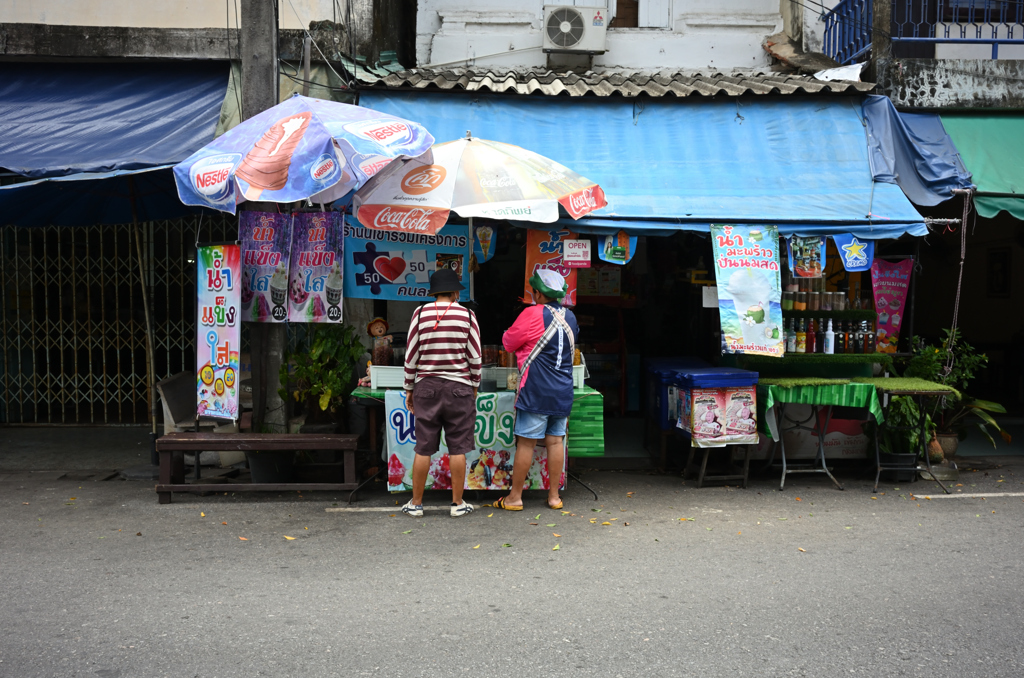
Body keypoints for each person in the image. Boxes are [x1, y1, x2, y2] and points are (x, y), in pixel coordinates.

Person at [494, 269, 579, 511]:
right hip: (562, 391)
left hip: (536, 390)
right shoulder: (570, 318)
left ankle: (515, 497)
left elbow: (509, 343)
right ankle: (554, 497)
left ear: (539, 293)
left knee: (526, 444)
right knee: (555, 442)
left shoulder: (531, 314)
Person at [401, 268, 481, 518]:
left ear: (433, 292)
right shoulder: (468, 315)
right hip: (459, 387)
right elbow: (475, 358)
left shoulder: (420, 313)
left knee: (423, 447)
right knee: (457, 447)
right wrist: (474, 386)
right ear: (456, 292)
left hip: (426, 387)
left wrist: (409, 388)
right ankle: (457, 504)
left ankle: (415, 504)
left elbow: (411, 355)